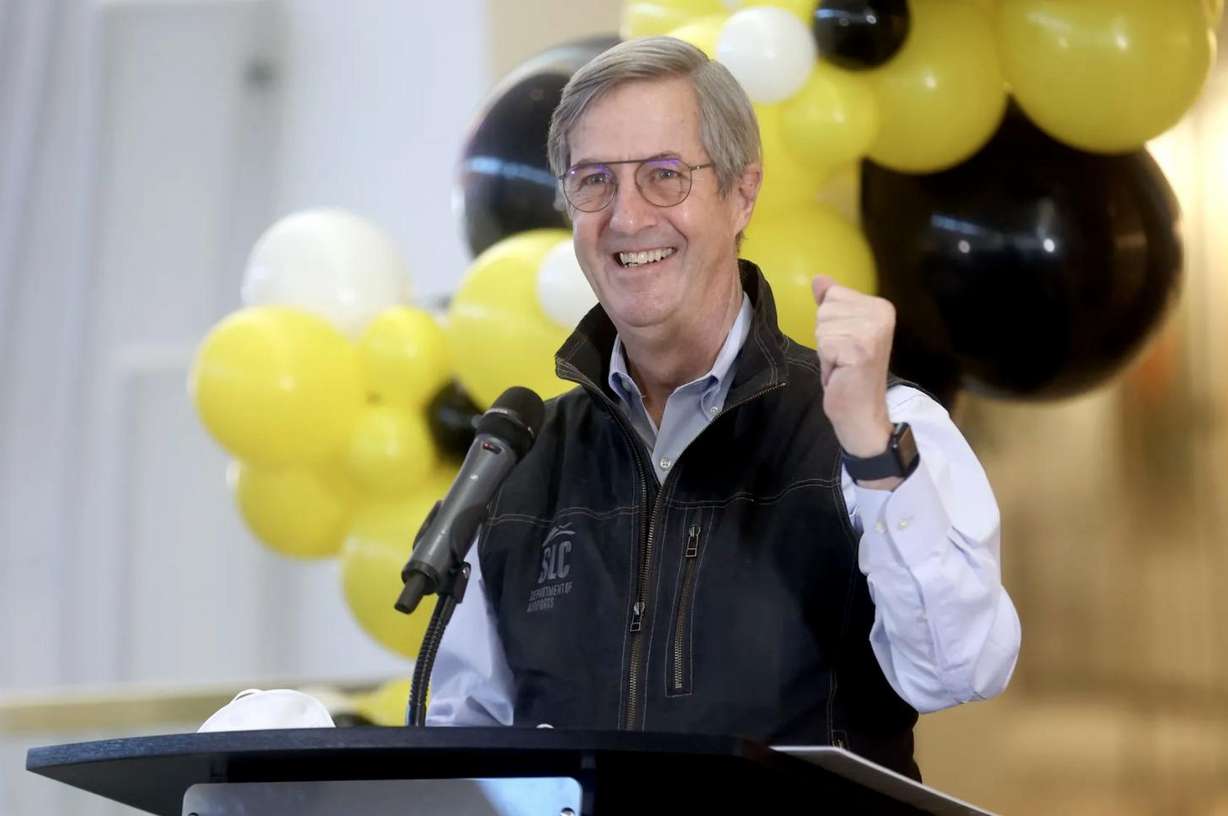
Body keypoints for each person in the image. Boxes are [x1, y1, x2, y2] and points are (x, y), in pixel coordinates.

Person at [425, 36, 1020, 778]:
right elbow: (463, 745)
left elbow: (960, 669)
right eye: (594, 181)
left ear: (742, 192)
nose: (628, 216)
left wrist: (871, 449)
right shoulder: (520, 463)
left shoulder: (881, 429)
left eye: (665, 176)